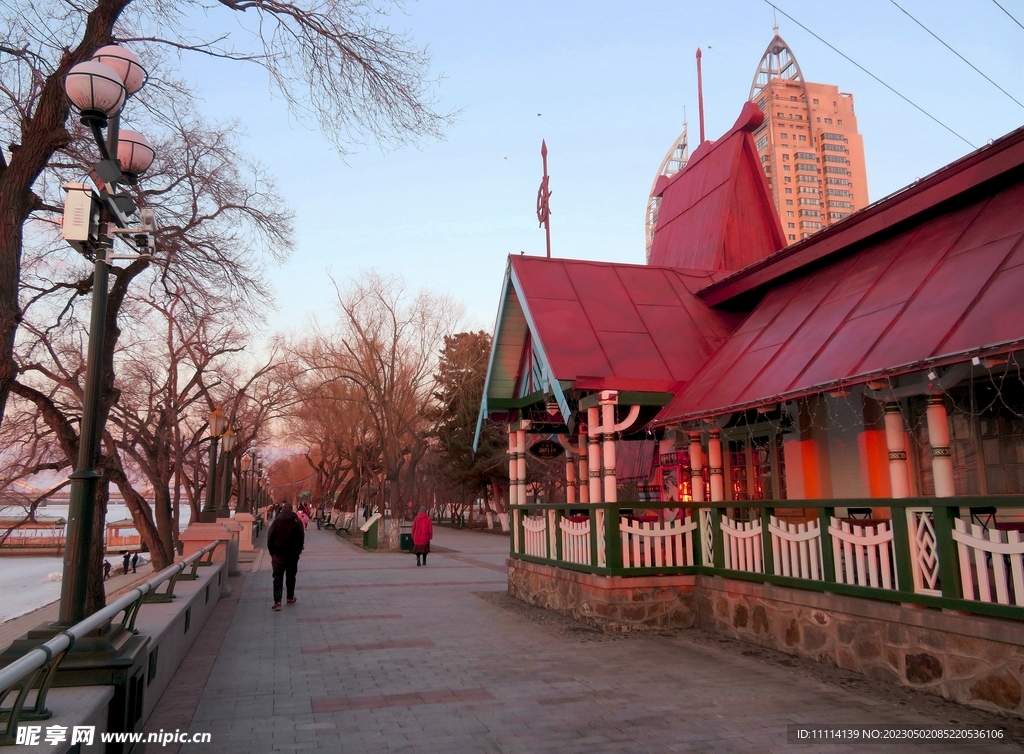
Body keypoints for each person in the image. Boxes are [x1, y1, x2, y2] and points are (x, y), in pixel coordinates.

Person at [267, 501, 305, 610]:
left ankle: (277, 601)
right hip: (292, 556)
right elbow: (301, 538)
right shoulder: (297, 521)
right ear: (291, 510)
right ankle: (290, 598)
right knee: (291, 577)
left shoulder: (277, 521)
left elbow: (270, 538)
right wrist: (297, 552)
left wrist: (272, 553)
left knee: (277, 578)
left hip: (278, 556)